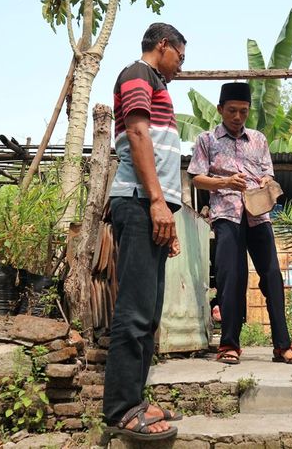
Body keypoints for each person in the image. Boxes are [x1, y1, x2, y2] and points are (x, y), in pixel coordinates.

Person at [102, 23, 186, 441]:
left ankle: (135, 400)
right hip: (137, 201)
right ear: (163, 46)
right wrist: (155, 201)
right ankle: (120, 409)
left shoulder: (154, 82)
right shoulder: (136, 74)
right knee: (134, 311)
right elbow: (136, 133)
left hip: (151, 204)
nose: (180, 68)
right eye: (180, 58)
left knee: (149, 313)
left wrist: (166, 209)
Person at [187, 82, 292, 366]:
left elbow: (267, 172)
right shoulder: (207, 139)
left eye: (243, 111)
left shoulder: (259, 139)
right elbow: (196, 177)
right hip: (226, 214)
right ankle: (229, 344)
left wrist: (266, 180)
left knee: (272, 276)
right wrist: (225, 182)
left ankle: (283, 346)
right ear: (220, 110)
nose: (237, 117)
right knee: (232, 278)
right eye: (232, 111)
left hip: (258, 213)